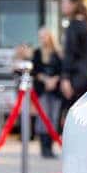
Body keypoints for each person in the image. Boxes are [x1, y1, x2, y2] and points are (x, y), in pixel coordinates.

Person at [59, 0, 87, 111]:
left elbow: (70, 54)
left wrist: (65, 78)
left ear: (73, 5)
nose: (62, 5)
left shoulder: (74, 26)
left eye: (65, 2)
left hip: (76, 80)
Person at [32, 27, 62, 159]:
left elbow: (62, 70)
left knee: (54, 118)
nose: (43, 39)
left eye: (45, 36)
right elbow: (35, 71)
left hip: (55, 90)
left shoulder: (58, 53)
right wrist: (46, 80)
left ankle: (50, 147)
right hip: (42, 90)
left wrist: (54, 80)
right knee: (43, 117)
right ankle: (44, 148)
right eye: (41, 36)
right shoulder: (37, 53)